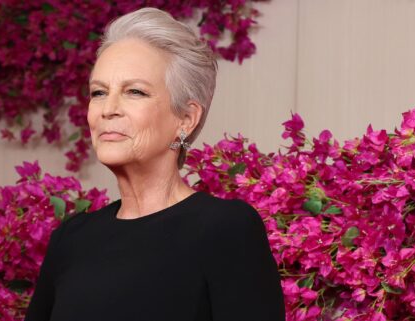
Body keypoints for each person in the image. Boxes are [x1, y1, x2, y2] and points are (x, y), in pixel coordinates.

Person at [24, 7, 285, 321]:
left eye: (134, 92)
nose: (108, 109)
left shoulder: (226, 229)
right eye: (98, 92)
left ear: (186, 119)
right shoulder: (70, 239)